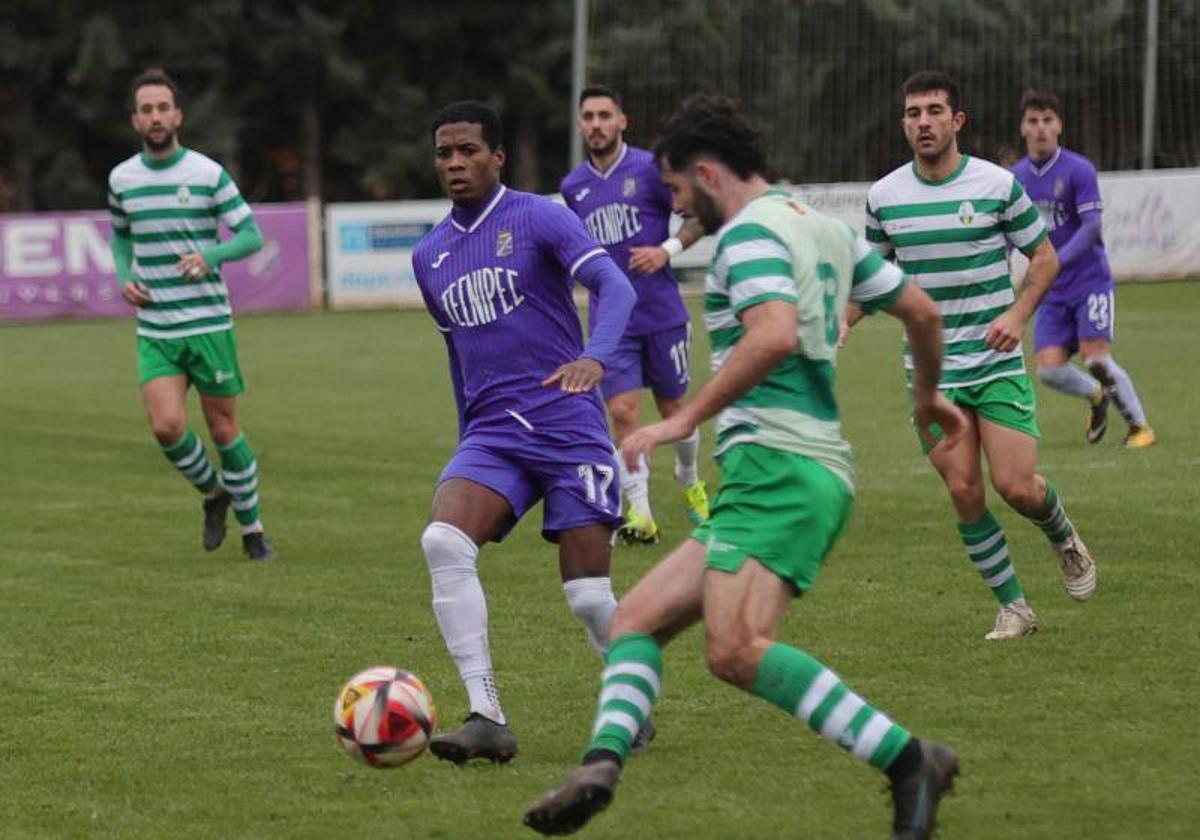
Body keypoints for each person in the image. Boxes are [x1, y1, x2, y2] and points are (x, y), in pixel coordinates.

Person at [525, 93, 967, 840]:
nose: (673, 206)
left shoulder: (746, 238)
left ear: (706, 173)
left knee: (733, 649)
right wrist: (927, 396)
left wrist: (684, 418)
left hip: (782, 467)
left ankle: (908, 758)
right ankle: (600, 764)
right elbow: (922, 311)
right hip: (785, 471)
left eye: (674, 191)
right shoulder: (818, 224)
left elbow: (774, 335)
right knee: (635, 619)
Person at [412, 101, 642, 764]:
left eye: (468, 151)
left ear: (498, 156)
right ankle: (487, 715)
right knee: (442, 540)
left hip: (568, 425)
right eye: (444, 153)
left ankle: (633, 697)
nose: (455, 163)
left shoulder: (540, 215)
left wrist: (596, 356)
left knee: (589, 596)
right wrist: (465, 440)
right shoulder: (430, 256)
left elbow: (613, 286)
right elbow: (458, 358)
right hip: (492, 436)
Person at [861, 71, 1097, 640]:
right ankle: (1014, 607)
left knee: (1016, 486)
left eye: (934, 111)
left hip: (992, 363)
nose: (923, 122)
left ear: (956, 120)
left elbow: (1044, 259)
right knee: (965, 491)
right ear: (904, 122)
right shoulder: (884, 197)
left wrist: (1017, 316)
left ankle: (1063, 535)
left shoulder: (995, 185)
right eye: (913, 113)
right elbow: (869, 280)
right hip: (931, 375)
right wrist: (836, 326)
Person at [107, 68, 273, 560]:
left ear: (177, 115)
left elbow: (250, 235)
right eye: (146, 110)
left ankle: (254, 533)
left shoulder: (206, 173)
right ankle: (215, 492)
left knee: (224, 430)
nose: (156, 117)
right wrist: (123, 277)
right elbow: (120, 236)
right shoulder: (122, 179)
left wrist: (211, 256)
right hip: (156, 327)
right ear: (136, 120)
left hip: (208, 325)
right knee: (165, 426)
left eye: (163, 108)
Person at [560, 84, 709, 544]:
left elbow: (699, 214)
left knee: (674, 409)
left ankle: (689, 479)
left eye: (605, 115)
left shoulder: (649, 168)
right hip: (611, 321)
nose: (596, 125)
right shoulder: (573, 187)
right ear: (581, 124)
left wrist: (667, 249)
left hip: (662, 312)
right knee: (624, 411)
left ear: (622, 121)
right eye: (588, 117)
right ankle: (640, 513)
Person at [1011, 88, 1155, 448]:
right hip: (1050, 289)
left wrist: (1053, 262)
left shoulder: (1078, 170)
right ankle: (1095, 396)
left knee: (1096, 359)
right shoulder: (1014, 179)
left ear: (1059, 125)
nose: (1041, 128)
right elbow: (1009, 233)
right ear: (1022, 128)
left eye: (1048, 120)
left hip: (1088, 281)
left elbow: (1091, 228)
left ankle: (1140, 428)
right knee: (1049, 370)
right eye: (1033, 121)